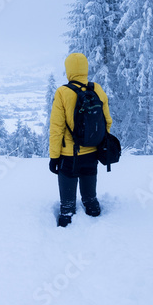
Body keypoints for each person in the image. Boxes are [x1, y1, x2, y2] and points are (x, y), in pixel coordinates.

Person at [48, 52, 113, 226]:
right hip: (92, 152)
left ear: (68, 69)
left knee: (67, 205)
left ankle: (67, 218)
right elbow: (107, 120)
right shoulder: (96, 88)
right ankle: (93, 211)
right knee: (90, 198)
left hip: (69, 155)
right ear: (85, 68)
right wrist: (97, 142)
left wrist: (54, 156)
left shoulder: (63, 92)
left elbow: (56, 128)